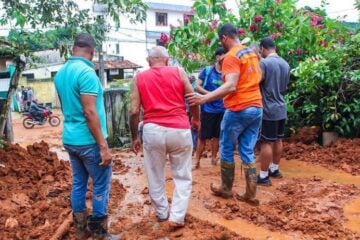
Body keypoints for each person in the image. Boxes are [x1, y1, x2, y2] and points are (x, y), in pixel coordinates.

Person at [186, 23, 263, 205]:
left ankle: (226, 189)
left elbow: (231, 85)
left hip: (238, 108)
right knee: (246, 149)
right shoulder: (251, 54)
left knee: (227, 147)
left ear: (224, 38)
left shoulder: (231, 57)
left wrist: (203, 99)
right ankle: (251, 193)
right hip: (256, 107)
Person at [130, 46, 200, 227]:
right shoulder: (179, 71)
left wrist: (135, 137)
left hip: (152, 131)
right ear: (167, 60)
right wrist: (196, 120)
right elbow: (192, 99)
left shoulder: (139, 78)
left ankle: (162, 213)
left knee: (155, 175)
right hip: (180, 129)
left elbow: (133, 111)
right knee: (183, 175)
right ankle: (177, 217)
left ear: (148, 61)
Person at [54, 33, 115, 239]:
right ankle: (99, 232)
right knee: (101, 183)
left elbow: (66, 108)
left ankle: (81, 229)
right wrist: (103, 146)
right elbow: (90, 113)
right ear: (92, 51)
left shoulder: (61, 73)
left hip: (70, 139)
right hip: (88, 141)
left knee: (79, 182)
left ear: (74, 49)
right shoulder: (87, 73)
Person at [257, 37, 290, 186]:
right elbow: (285, 87)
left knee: (266, 142)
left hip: (269, 109)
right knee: (278, 139)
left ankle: (263, 176)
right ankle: (274, 169)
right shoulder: (285, 64)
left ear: (263, 48)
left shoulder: (264, 63)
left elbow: (257, 81)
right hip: (281, 107)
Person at [194, 47, 226, 169]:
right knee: (202, 136)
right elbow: (197, 86)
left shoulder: (227, 72)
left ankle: (213, 158)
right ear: (218, 57)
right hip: (208, 109)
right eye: (223, 57)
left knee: (216, 136)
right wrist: (209, 94)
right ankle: (197, 161)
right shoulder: (207, 71)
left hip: (222, 109)